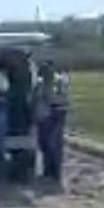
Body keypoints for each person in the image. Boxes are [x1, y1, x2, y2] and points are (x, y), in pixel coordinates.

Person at [34, 61, 70, 191]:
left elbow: (61, 100)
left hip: (54, 115)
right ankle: (48, 172)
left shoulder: (58, 82)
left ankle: (55, 174)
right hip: (45, 117)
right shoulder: (41, 83)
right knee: (45, 145)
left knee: (53, 145)